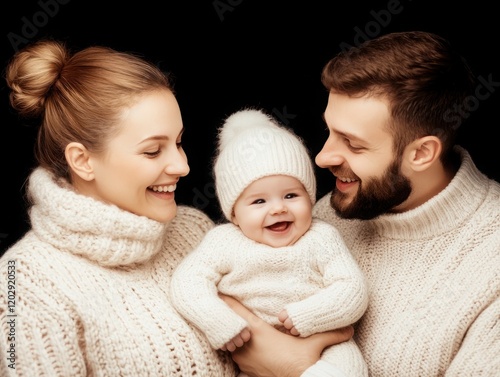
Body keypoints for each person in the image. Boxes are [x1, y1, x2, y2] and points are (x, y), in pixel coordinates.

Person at [225, 31, 500, 376]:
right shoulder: (329, 214)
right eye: (329, 131)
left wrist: (294, 369)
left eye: (353, 145)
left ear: (421, 153)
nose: (323, 157)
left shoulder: (491, 268)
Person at [170, 108, 369, 377]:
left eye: (290, 195)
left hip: (322, 343)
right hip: (250, 352)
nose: (277, 209)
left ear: (309, 198)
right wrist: (219, 322)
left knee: (350, 367)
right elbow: (187, 282)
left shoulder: (322, 237)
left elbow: (352, 290)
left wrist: (308, 315)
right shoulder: (224, 241)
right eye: (259, 201)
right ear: (234, 214)